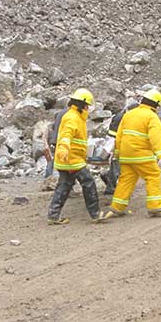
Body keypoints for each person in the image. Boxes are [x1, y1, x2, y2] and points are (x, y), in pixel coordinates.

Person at [106, 89, 161, 218]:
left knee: (126, 180)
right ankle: (156, 207)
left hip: (126, 155)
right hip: (141, 155)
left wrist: (117, 153)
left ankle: (117, 207)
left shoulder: (129, 114)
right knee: (153, 175)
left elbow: (119, 135)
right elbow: (155, 138)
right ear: (156, 104)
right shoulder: (152, 117)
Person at [47, 88, 108, 225]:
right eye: (87, 106)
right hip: (72, 159)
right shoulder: (73, 117)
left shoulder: (75, 116)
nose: (88, 108)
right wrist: (63, 147)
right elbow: (66, 135)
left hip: (67, 159)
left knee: (64, 186)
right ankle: (95, 214)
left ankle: (53, 215)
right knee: (88, 183)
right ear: (82, 105)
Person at [101, 99, 139, 195]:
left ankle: (110, 181)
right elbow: (113, 134)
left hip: (120, 144)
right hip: (116, 145)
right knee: (116, 166)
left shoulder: (123, 116)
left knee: (118, 166)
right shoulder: (120, 117)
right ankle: (112, 187)